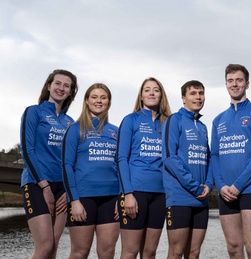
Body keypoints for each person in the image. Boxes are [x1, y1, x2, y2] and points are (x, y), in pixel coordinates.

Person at [211, 64, 251, 259]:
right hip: (225, 191)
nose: (234, 84)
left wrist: (238, 185)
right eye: (230, 80)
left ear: (247, 84)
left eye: (239, 80)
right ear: (226, 84)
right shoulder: (218, 120)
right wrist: (221, 186)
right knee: (233, 248)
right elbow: (215, 156)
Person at [19, 69, 78, 259]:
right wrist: (44, 186)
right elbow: (28, 151)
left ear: (71, 92)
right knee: (44, 246)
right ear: (48, 86)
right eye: (58, 83)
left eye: (66, 86)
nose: (61, 88)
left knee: (53, 247)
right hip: (37, 183)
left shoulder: (70, 123)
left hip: (62, 189)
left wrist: (69, 191)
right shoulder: (34, 112)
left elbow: (72, 160)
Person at [62, 83, 120, 259]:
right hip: (83, 198)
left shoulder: (116, 132)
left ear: (108, 102)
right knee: (80, 253)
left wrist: (121, 197)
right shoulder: (74, 129)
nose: (99, 101)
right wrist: (74, 201)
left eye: (103, 97)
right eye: (94, 97)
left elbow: (121, 166)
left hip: (111, 199)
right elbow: (66, 166)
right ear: (87, 101)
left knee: (107, 253)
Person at [117, 77, 171, 258]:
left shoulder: (168, 123)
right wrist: (127, 194)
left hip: (160, 194)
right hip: (136, 192)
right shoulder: (130, 120)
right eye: (147, 90)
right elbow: (121, 159)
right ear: (141, 96)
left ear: (161, 95)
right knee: (130, 252)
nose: (151, 93)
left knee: (149, 252)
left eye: (156, 90)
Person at [161, 80, 213, 259]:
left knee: (194, 253)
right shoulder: (174, 120)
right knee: (176, 252)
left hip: (201, 200)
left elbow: (208, 158)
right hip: (180, 198)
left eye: (201, 93)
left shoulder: (203, 126)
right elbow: (169, 158)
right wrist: (194, 186)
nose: (198, 97)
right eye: (193, 93)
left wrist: (208, 184)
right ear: (183, 98)